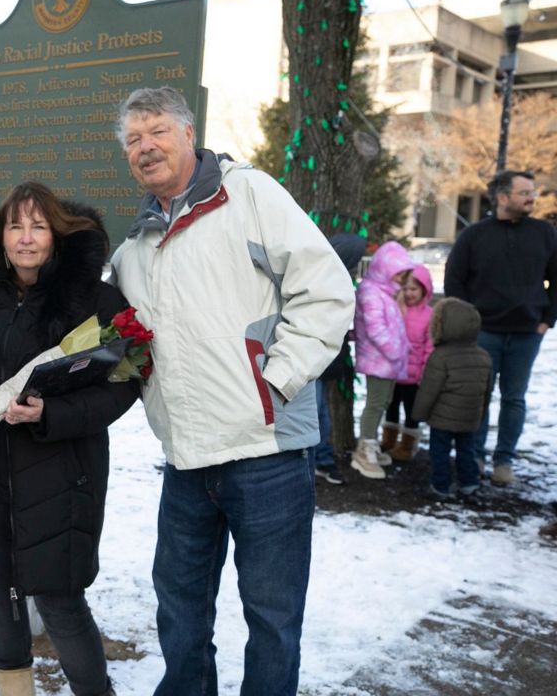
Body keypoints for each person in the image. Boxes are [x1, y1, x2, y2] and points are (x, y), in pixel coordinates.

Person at [106, 87, 354, 696]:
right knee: (180, 615)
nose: (146, 148)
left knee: (272, 620)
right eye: (134, 140)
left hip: (265, 454)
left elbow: (325, 291)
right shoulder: (134, 249)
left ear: (189, 134)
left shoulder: (249, 195)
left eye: (158, 131)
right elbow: (117, 345)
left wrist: (276, 382)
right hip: (186, 464)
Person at [0, 183, 138, 696]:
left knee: (60, 603)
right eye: (14, 225)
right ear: (1, 235)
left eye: (38, 226)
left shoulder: (94, 299)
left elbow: (122, 386)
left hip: (59, 475)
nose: (25, 238)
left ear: (56, 234)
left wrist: (51, 413)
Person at [444, 170, 557, 486]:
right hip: (484, 333)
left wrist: (548, 319)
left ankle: (503, 462)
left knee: (514, 399)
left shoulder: (545, 233)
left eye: (532, 192)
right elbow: (455, 279)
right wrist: (469, 321)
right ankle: (475, 457)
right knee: (479, 396)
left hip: (527, 332)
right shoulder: (475, 235)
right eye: (524, 192)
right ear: (503, 197)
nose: (531, 198)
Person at [411, 297, 494, 501]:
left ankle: (441, 486)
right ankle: (469, 484)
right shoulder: (484, 356)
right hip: (469, 418)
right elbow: (487, 391)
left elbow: (429, 390)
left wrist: (418, 414)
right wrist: (480, 415)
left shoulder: (440, 356)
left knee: (440, 452)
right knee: (467, 451)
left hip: (442, 419)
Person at [352, 240, 415, 479]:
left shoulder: (387, 292)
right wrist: (394, 351)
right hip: (379, 359)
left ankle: (371, 445)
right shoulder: (371, 291)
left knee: (384, 401)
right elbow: (375, 327)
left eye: (404, 274)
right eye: (398, 273)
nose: (401, 278)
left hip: (389, 360)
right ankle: (363, 451)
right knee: (375, 403)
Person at [314, 233, 368, 486]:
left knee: (321, 410)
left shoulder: (342, 283)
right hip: (312, 359)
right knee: (315, 411)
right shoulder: (322, 283)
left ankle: (321, 459)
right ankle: (318, 460)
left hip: (327, 360)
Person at [382, 264, 435, 463]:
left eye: (414, 289)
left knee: (412, 411)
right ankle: (388, 441)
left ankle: (407, 446)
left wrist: (424, 373)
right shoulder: (396, 309)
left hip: (414, 377)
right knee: (391, 407)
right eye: (405, 289)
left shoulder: (429, 315)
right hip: (394, 373)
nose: (409, 293)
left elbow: (430, 347)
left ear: (424, 289)